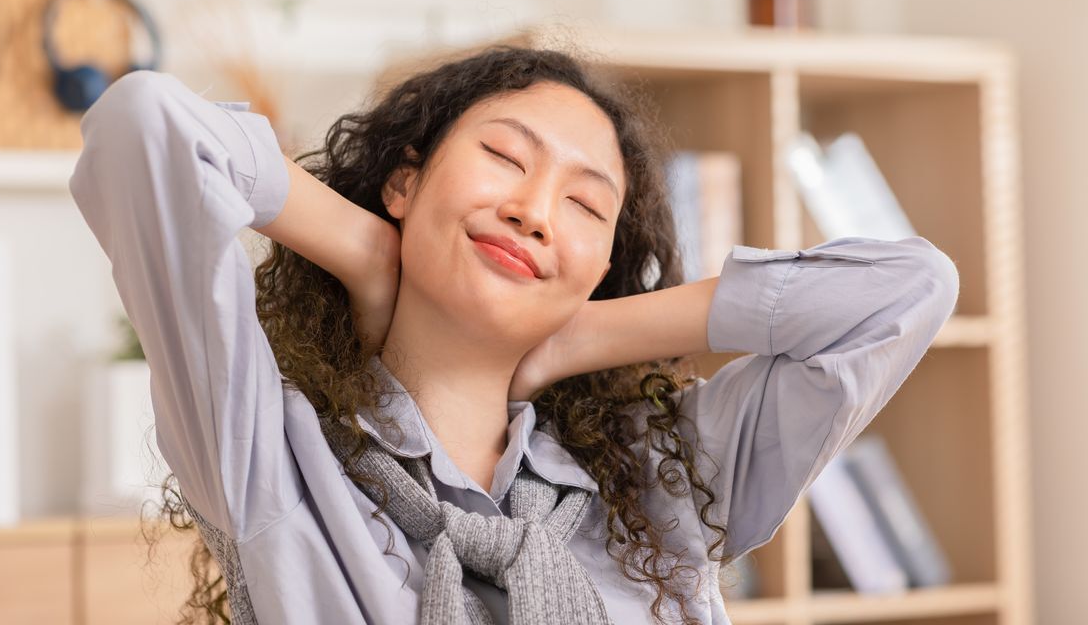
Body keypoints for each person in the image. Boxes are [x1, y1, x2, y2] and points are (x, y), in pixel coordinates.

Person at [68, 45, 960, 625]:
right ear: (404, 183)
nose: (534, 211)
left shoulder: (664, 476)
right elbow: (142, 126)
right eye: (504, 157)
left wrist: (584, 335)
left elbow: (910, 291)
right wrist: (370, 252)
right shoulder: (268, 451)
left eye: (584, 205)